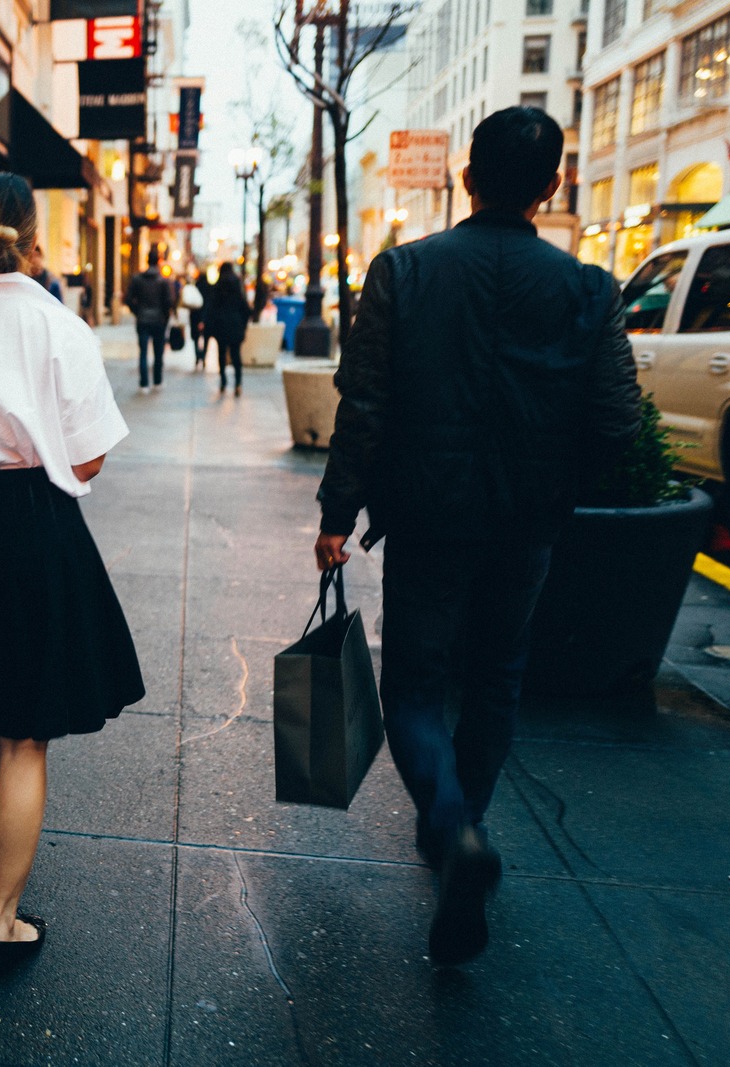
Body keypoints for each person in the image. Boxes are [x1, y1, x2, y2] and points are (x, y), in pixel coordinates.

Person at [313, 107, 641, 968]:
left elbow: (366, 404)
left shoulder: (404, 272)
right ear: (552, 185)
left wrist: (337, 514)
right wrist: (559, 488)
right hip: (525, 522)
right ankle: (466, 822)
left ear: (466, 177)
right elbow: (617, 419)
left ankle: (448, 823)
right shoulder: (588, 290)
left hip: (427, 514)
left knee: (415, 683)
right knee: (497, 677)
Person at [0, 172, 145, 976]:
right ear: (32, 232)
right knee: (28, 735)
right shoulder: (62, 327)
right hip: (38, 521)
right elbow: (88, 454)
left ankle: (1, 821)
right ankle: (2, 919)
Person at [124, 249, 173, 391]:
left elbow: (128, 299)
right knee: (158, 353)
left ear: (147, 261)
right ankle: (157, 381)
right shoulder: (163, 281)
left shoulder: (137, 279)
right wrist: (164, 316)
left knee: (143, 353)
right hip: (158, 321)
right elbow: (169, 302)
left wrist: (137, 312)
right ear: (158, 262)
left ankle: (144, 384)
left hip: (143, 320)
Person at [206, 261, 248, 396]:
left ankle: (223, 381)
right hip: (236, 325)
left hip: (221, 325)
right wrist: (243, 325)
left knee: (222, 354)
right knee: (236, 355)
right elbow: (246, 309)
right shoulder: (238, 288)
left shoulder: (217, 287)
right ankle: (238, 383)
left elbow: (211, 308)